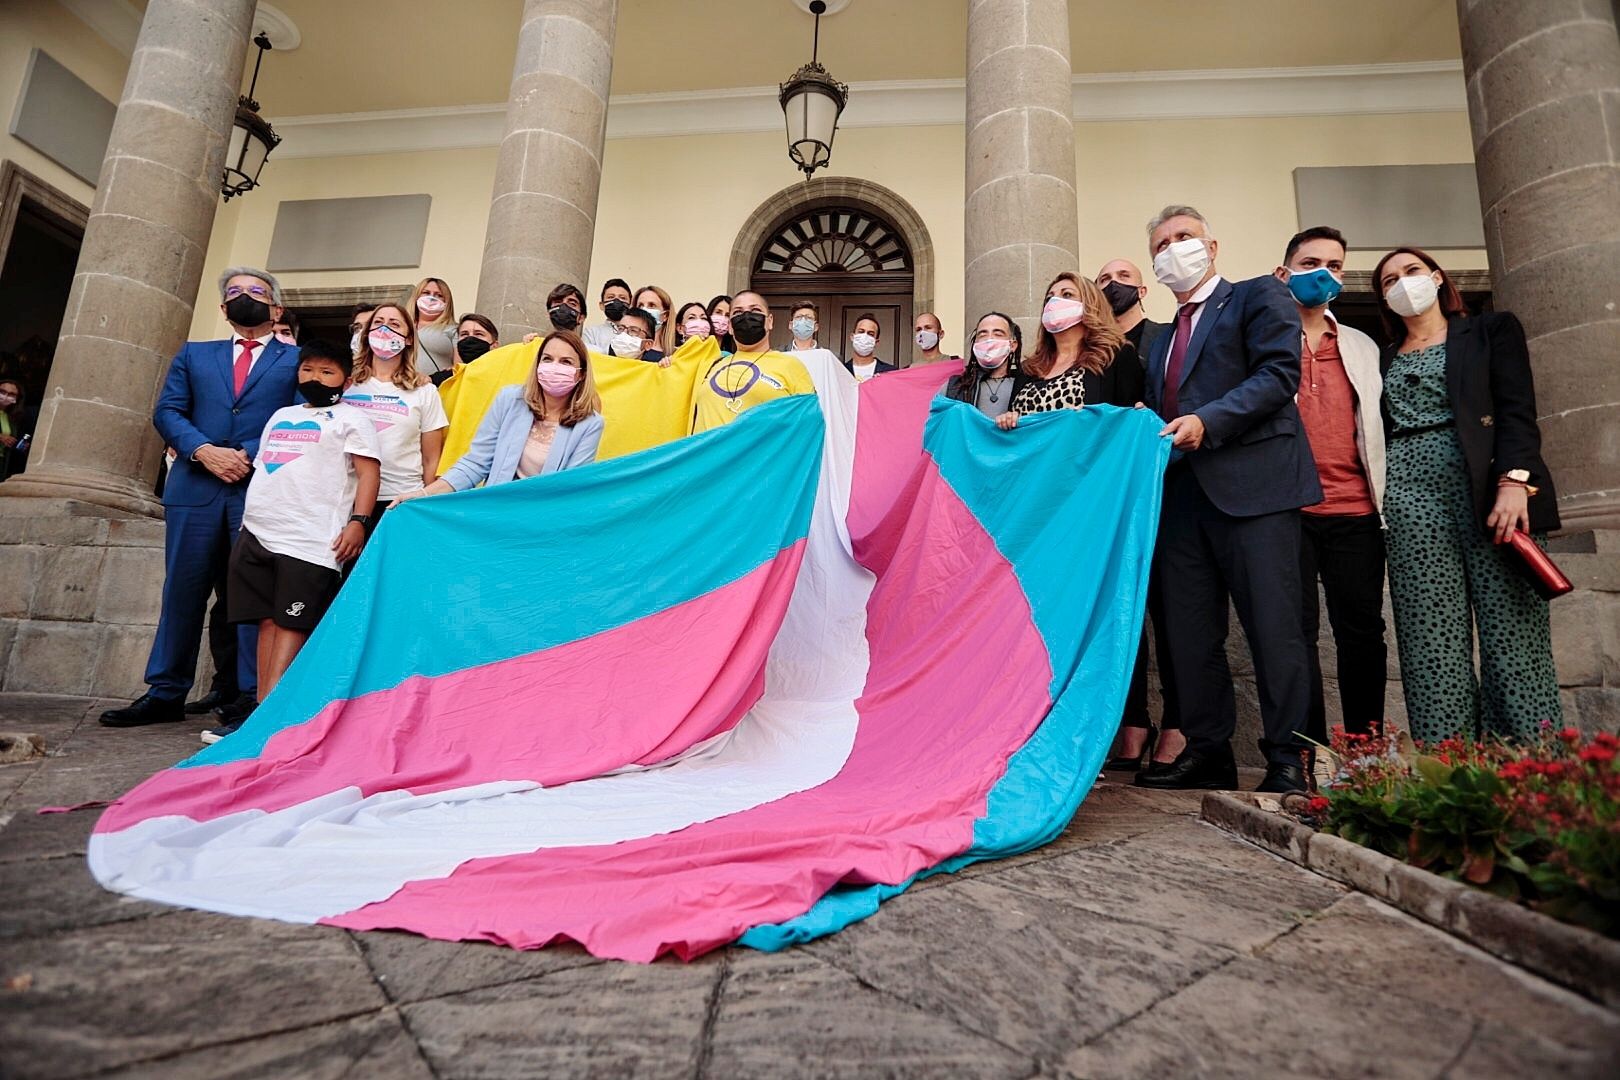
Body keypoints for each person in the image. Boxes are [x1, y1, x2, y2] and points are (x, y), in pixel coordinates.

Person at [1133, 206, 1319, 794]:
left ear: (1212, 245)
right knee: (1189, 637)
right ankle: (1208, 751)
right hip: (1183, 501)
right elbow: (1162, 413)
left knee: (1274, 628)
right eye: (1162, 243)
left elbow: (1276, 375)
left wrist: (1205, 422)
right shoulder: (1160, 340)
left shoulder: (1258, 296)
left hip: (1256, 489)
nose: (1173, 249)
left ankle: (1290, 758)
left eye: (1183, 237)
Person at [1374, 246, 1561, 743]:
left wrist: (1514, 481)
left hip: (1487, 490)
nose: (1401, 283)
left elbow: (1517, 409)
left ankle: (1530, 769)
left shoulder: (1489, 330)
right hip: (1409, 499)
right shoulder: (1382, 356)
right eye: (1388, 280)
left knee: (1512, 634)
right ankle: (1448, 767)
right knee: (1429, 638)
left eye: (1411, 271)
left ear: (1437, 278)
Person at [101, 267, 300, 729]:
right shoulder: (194, 354)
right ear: (222, 307)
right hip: (194, 488)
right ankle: (166, 691)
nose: (244, 297)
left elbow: (299, 418)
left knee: (253, 598)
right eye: (234, 292)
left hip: (256, 490)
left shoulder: (295, 360)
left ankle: (253, 696)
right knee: (182, 592)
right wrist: (204, 451)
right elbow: (168, 410)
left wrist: (244, 455)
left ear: (276, 307)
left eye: (255, 291)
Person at [208, 339, 381, 743]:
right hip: (260, 532)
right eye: (308, 370)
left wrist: (358, 521)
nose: (315, 378)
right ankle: (262, 712)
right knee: (267, 620)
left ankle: (273, 719)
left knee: (291, 622)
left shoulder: (352, 419)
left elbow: (368, 474)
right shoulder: (281, 415)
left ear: (346, 380)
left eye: (327, 372)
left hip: (312, 539)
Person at [1274, 227, 1387, 741]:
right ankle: (1307, 752)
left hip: (1356, 511)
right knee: (1294, 636)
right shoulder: (1265, 343)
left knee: (1361, 634)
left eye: (1336, 265)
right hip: (1290, 509)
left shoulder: (1363, 345)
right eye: (1311, 262)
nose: (1324, 273)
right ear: (1285, 273)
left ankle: (1364, 750)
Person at [394, 329, 603, 498]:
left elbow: (570, 488)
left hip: (543, 523)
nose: (554, 367)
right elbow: (476, 462)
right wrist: (424, 494)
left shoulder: (590, 423)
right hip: (493, 515)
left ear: (581, 373)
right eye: (547, 359)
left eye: (566, 362)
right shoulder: (510, 399)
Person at [346, 303, 449, 535]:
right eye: (378, 323)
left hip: (398, 499)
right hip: (346, 497)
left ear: (409, 338)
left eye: (394, 324)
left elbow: (432, 458)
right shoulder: (347, 385)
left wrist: (426, 502)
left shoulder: (424, 391)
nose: (385, 329)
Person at [995, 275, 1128, 428]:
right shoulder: (1028, 368)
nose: (1054, 302)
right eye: (1049, 298)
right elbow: (1013, 418)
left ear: (1090, 304)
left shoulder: (1114, 356)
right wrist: (1008, 419)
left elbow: (1128, 422)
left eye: (1067, 294)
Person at [692, 291, 814, 433]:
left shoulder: (792, 366)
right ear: (730, 327)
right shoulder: (712, 365)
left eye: (755, 310)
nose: (746, 316)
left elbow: (808, 425)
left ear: (770, 321)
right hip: (709, 454)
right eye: (738, 312)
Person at [945, 313, 1021, 418]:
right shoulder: (954, 387)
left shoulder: (1027, 386)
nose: (989, 339)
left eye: (998, 334)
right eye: (982, 334)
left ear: (1012, 345)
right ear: (975, 344)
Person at [1095, 259, 1167, 364]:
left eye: (1124, 276)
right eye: (1105, 279)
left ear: (1142, 292)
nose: (1113, 282)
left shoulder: (1166, 336)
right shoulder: (1090, 346)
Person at [407, 278, 457, 378]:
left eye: (439, 295)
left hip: (436, 388)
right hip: (401, 388)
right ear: (416, 296)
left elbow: (459, 367)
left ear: (447, 302)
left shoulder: (454, 329)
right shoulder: (402, 326)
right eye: (426, 293)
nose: (432, 298)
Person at [583, 278, 633, 354]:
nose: (617, 301)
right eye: (611, 297)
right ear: (602, 305)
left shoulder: (637, 332)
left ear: (631, 305)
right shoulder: (591, 333)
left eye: (622, 298)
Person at [0, 379, 36, 480]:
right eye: (2, 392)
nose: (6, 396)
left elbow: (14, 439)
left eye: (12, 394)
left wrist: (21, 445)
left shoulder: (11, 417)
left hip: (3, 461)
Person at [845, 313, 896, 381]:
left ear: (876, 342)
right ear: (852, 337)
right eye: (861, 332)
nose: (865, 337)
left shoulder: (890, 372)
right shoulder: (841, 370)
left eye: (870, 334)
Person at [633, 285, 674, 360]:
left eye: (651, 305)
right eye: (640, 305)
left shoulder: (674, 356)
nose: (644, 309)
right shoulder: (624, 347)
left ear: (665, 315)